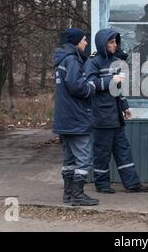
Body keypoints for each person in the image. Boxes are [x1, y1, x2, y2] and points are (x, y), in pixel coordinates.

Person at [85, 28, 148, 193]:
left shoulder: (115, 61)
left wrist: (124, 106)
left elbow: (118, 88)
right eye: (111, 42)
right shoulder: (92, 62)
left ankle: (132, 183)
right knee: (102, 152)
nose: (115, 45)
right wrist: (109, 80)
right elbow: (88, 85)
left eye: (116, 42)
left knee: (123, 150)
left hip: (115, 116)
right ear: (102, 44)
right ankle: (102, 184)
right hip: (101, 116)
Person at [53, 28, 99, 206]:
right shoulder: (72, 60)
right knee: (84, 157)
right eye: (84, 40)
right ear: (76, 42)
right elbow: (77, 87)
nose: (86, 43)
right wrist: (92, 87)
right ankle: (78, 195)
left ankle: (68, 194)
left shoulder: (62, 59)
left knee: (69, 159)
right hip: (76, 117)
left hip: (64, 118)